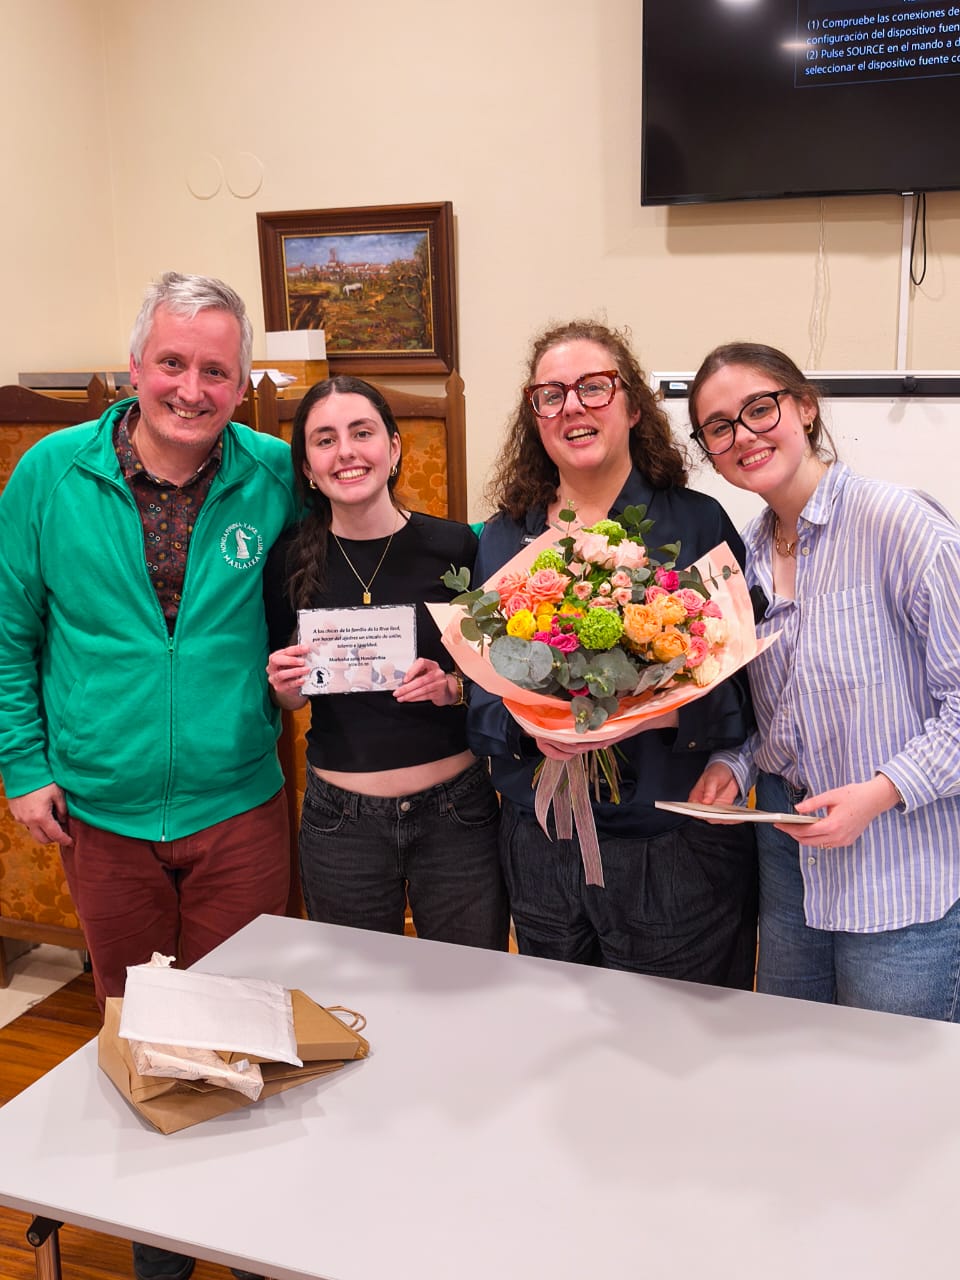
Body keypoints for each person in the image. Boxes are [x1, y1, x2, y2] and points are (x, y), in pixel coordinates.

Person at [0, 271, 298, 1280]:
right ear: (134, 367)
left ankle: (247, 1237)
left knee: (241, 1035)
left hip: (239, 804)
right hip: (105, 812)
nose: (191, 388)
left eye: (216, 370)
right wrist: (24, 764)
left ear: (242, 385)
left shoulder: (275, 472)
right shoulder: (49, 474)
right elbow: (9, 634)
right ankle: (159, 1253)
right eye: (172, 362)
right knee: (137, 1037)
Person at [467, 320, 758, 984]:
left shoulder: (697, 524)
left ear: (632, 407)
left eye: (594, 387)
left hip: (670, 844)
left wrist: (659, 713)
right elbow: (479, 694)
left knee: (679, 1032)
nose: (572, 406)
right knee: (560, 1028)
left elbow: (747, 686)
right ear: (535, 417)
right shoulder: (503, 538)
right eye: (551, 395)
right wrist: (528, 727)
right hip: (541, 844)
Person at [687, 341, 960, 1021]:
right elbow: (775, 710)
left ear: (805, 408)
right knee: (794, 1046)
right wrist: (733, 763)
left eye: (759, 409)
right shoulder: (744, 556)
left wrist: (880, 792)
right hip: (788, 857)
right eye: (719, 427)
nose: (743, 436)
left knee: (889, 1065)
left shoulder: (899, 524)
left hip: (898, 860)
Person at [263, 376, 509, 950]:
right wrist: (285, 686)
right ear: (307, 466)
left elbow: (498, 672)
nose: (345, 452)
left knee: (471, 983)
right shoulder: (287, 559)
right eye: (325, 440)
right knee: (355, 992)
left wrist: (453, 686)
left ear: (393, 447)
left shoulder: (457, 548)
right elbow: (287, 696)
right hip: (340, 823)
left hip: (457, 815)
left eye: (362, 433)